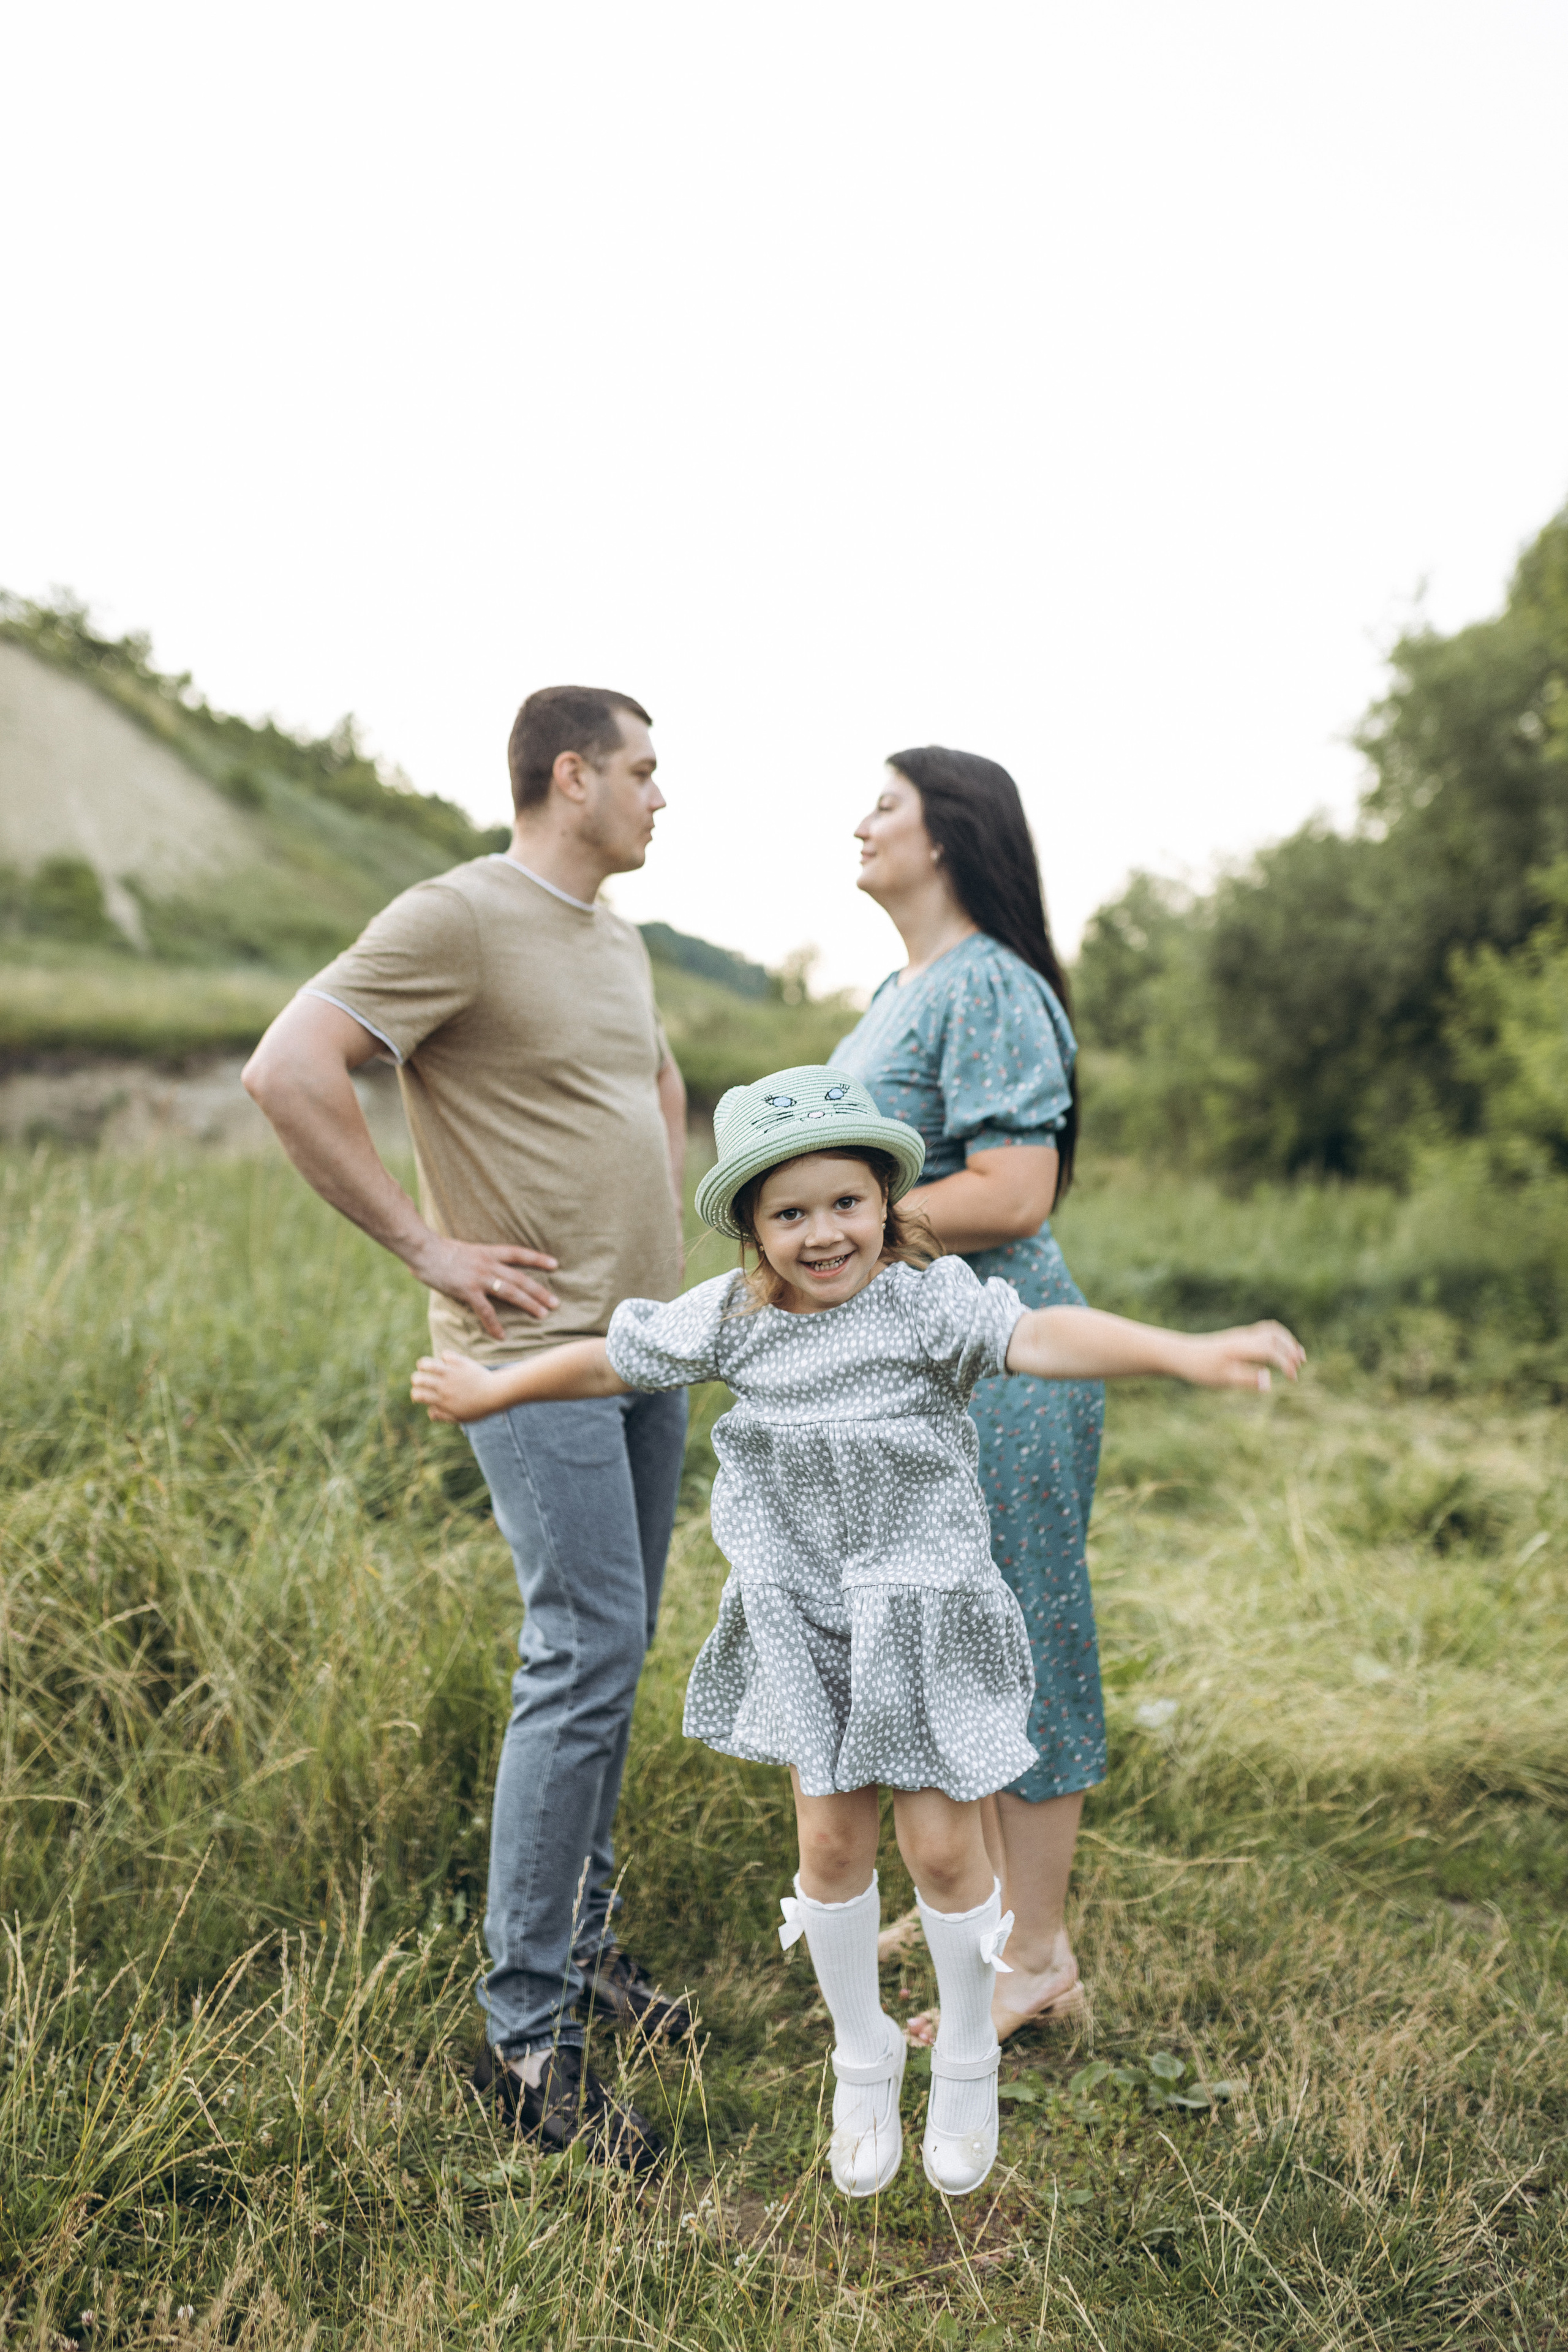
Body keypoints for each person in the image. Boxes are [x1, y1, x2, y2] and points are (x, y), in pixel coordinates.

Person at [412, 1066, 1303, 2199]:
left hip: (921, 1614)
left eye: (847, 1203)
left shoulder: (926, 1306)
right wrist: (496, 1393)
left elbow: (1044, 1336)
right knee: (830, 1851)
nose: (823, 1233)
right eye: (790, 1213)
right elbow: (611, 1355)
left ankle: (969, 2050)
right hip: (807, 1617)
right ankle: (862, 2052)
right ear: (753, 1229)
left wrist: (1185, 1351)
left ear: (887, 1202)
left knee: (940, 1852)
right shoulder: (735, 1322)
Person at [243, 684, 691, 2174]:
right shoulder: (458, 915)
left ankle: (583, 1949)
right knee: (581, 1652)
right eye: (640, 770)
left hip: (636, 1351)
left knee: (615, 1651)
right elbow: (288, 1067)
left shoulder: (614, 937)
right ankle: (524, 2035)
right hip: (524, 1357)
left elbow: (645, 1087)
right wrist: (429, 1252)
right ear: (570, 776)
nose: (657, 796)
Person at [832, 745, 1102, 2046]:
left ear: (947, 831)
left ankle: (1034, 1958)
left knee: (1024, 1629)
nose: (861, 824)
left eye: (883, 803)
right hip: (930, 1364)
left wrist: (844, 1240)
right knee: (953, 1634)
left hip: (1003, 1360)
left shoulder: (988, 980)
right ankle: (985, 1901)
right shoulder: (900, 985)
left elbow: (1011, 1190)